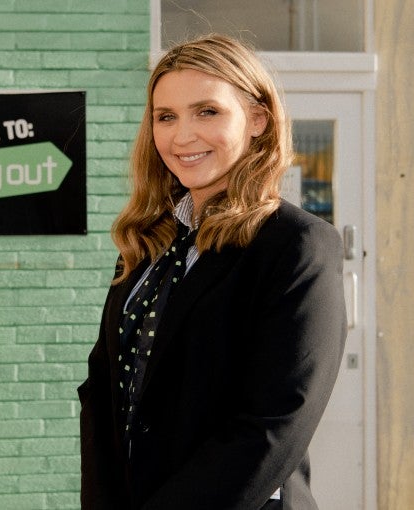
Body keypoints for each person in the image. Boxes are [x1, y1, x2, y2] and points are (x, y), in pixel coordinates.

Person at [78, 34, 347, 510]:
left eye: (208, 111)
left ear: (258, 119)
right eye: (166, 116)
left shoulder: (297, 244)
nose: (182, 136)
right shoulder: (147, 243)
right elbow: (104, 388)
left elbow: (273, 424)